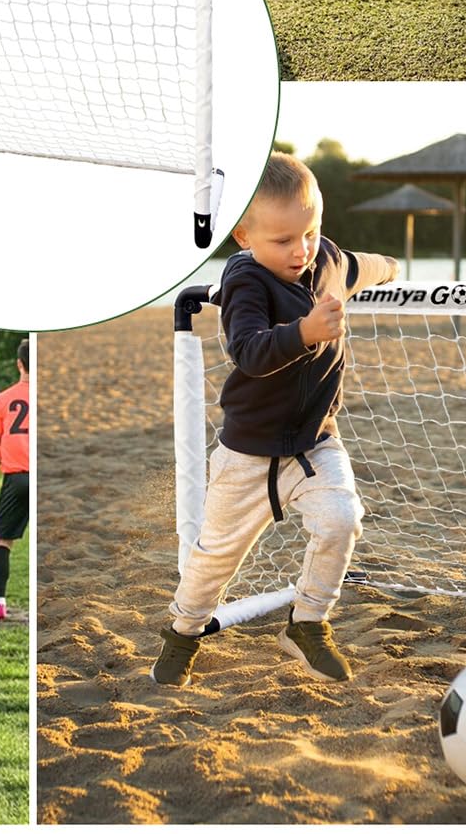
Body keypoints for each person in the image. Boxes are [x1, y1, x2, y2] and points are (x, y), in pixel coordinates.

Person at [150, 154, 398, 688]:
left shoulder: (326, 260)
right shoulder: (245, 280)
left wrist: (393, 267)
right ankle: (183, 632)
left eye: (309, 232)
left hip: (314, 444)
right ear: (244, 236)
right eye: (283, 240)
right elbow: (248, 352)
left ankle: (307, 623)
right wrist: (306, 331)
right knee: (214, 558)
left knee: (341, 519)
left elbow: (360, 264)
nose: (300, 249)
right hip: (248, 452)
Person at [0, 339, 30, 623]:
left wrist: (7, 463)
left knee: (3, 541)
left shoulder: (2, 399)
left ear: (19, 364)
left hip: (15, 477)